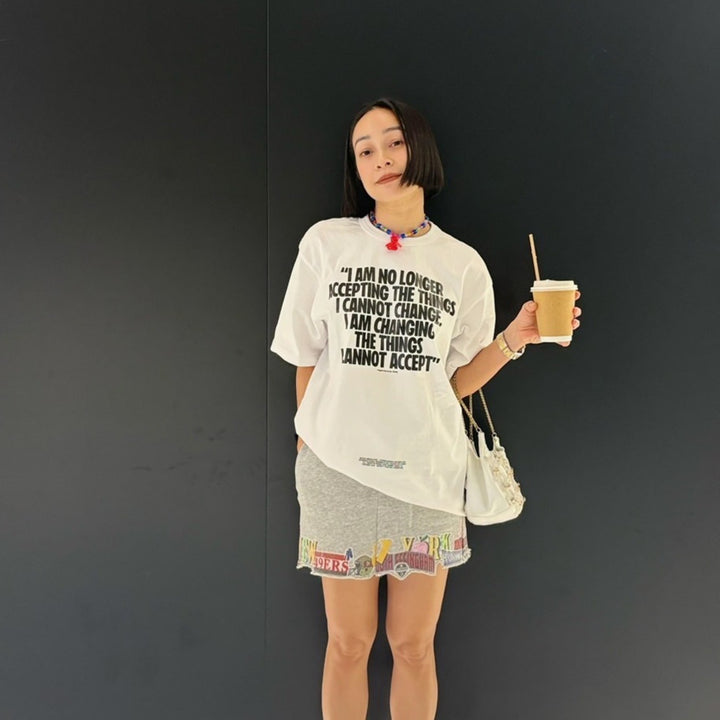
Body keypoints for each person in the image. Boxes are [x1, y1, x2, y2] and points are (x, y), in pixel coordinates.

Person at [270, 97, 582, 720]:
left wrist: (517, 337)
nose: (381, 159)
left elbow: (455, 383)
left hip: (428, 475)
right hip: (338, 473)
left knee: (413, 647)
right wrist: (310, 439)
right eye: (364, 150)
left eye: (394, 142)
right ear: (355, 167)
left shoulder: (461, 264)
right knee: (347, 644)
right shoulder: (326, 244)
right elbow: (305, 354)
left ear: (420, 149)